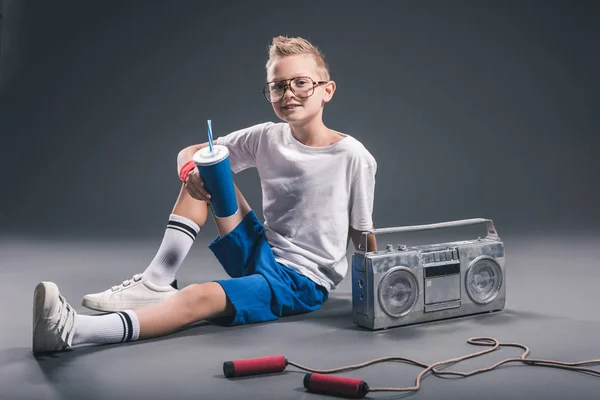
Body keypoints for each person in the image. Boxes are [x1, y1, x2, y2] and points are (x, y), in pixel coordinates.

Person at [32, 36, 377, 353]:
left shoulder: (352, 156)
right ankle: (156, 280)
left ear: (327, 90)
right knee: (208, 164)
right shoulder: (266, 136)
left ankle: (72, 331)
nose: (289, 93)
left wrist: (377, 292)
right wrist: (192, 174)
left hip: (299, 281)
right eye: (278, 86)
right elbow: (191, 151)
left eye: (301, 83)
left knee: (197, 296)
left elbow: (362, 234)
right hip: (260, 250)